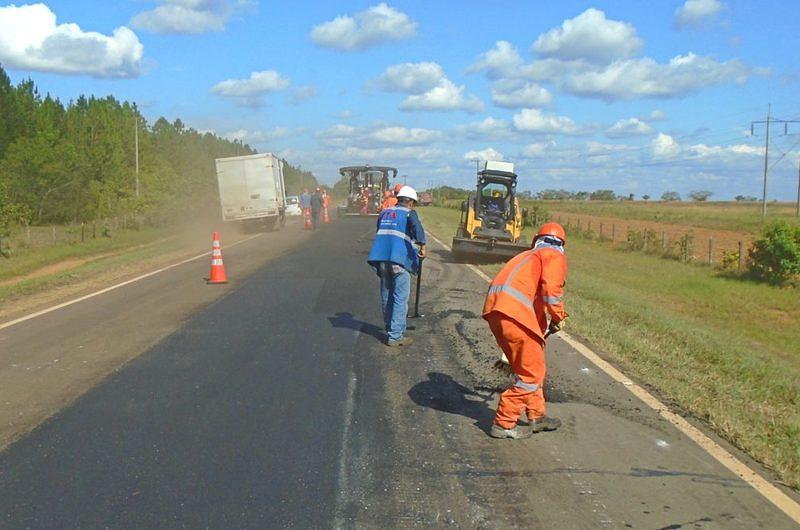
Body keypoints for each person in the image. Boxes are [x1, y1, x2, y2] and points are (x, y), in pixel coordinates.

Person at [482, 222, 568, 439]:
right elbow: (552, 292)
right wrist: (559, 316)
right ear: (561, 244)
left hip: (497, 312)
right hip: (513, 314)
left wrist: (543, 328)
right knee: (530, 375)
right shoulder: (553, 255)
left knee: (534, 365)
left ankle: (537, 416)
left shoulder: (528, 257)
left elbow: (536, 303)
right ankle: (504, 423)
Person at [367, 186, 426, 347]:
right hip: (398, 261)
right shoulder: (409, 213)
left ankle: (390, 328)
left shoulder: (385, 212)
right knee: (400, 298)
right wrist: (423, 246)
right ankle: (395, 336)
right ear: (411, 202)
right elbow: (419, 233)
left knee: (387, 294)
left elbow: (381, 230)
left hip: (381, 259)